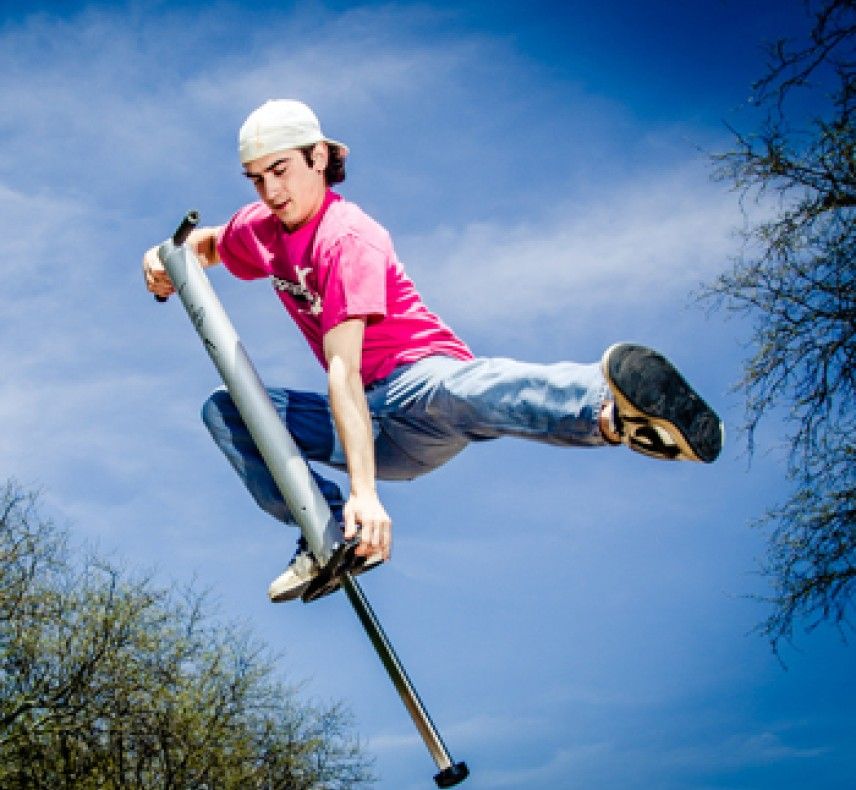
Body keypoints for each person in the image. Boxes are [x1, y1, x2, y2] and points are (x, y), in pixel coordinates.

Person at [143, 99, 723, 603]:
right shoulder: (264, 227)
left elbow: (343, 371)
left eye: (281, 171)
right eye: (255, 178)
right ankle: (325, 536)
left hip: (415, 393)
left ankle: (612, 410)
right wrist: (167, 257)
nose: (272, 192)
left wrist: (366, 496)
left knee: (457, 388)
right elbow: (213, 243)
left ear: (318, 157)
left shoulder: (349, 238)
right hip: (367, 423)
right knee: (227, 407)